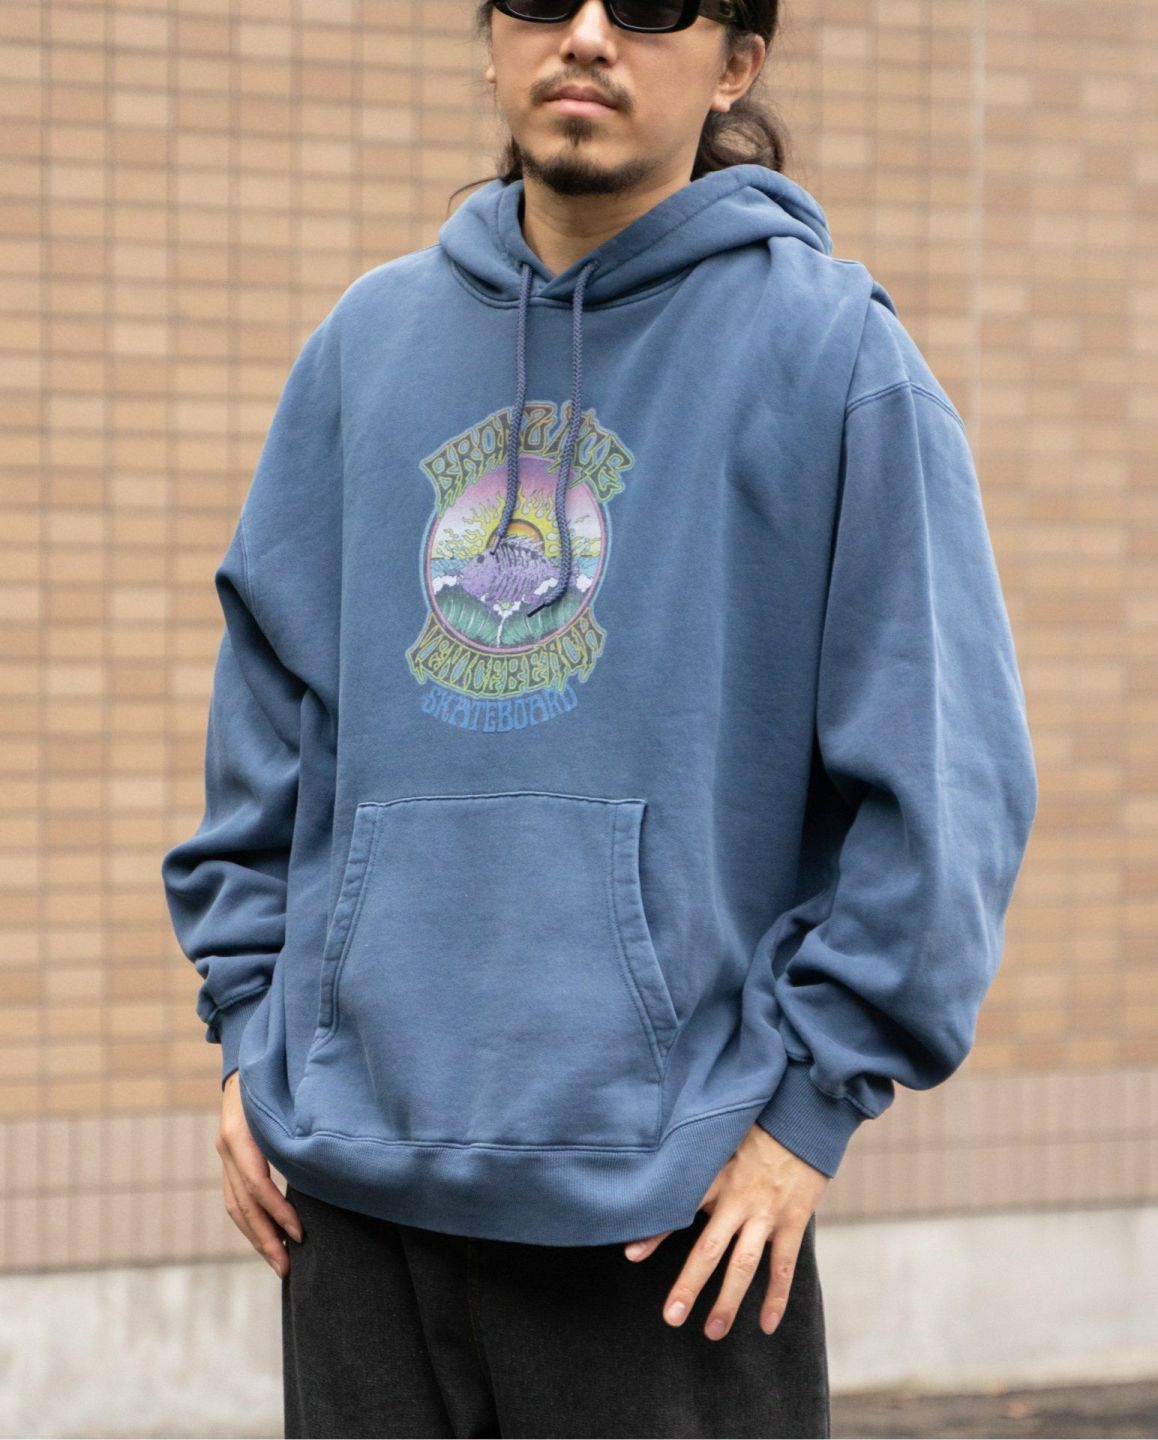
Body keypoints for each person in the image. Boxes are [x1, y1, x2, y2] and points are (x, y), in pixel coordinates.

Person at [161, 0, 1039, 1435]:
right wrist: (252, 1027)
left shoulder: (832, 360)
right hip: (351, 1197)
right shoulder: (366, 347)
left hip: (668, 1215)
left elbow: (949, 782)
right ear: (489, 39)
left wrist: (804, 1116)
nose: (585, 35)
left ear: (738, 62)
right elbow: (266, 725)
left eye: (646, 3)